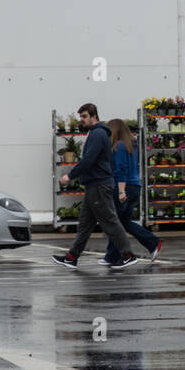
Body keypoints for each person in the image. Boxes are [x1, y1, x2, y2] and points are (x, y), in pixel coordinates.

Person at [52, 103, 138, 269]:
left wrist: (69, 176)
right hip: (94, 186)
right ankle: (71, 258)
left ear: (93, 116)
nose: (82, 120)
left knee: (110, 221)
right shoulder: (96, 133)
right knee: (85, 225)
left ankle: (128, 255)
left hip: (99, 186)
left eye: (84, 116)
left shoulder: (98, 134)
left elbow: (88, 160)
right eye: (81, 117)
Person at [102, 118, 162, 265]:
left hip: (124, 187)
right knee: (122, 222)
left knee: (116, 222)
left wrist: (121, 191)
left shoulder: (119, 146)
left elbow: (121, 169)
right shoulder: (131, 146)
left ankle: (151, 242)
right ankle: (112, 256)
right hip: (134, 186)